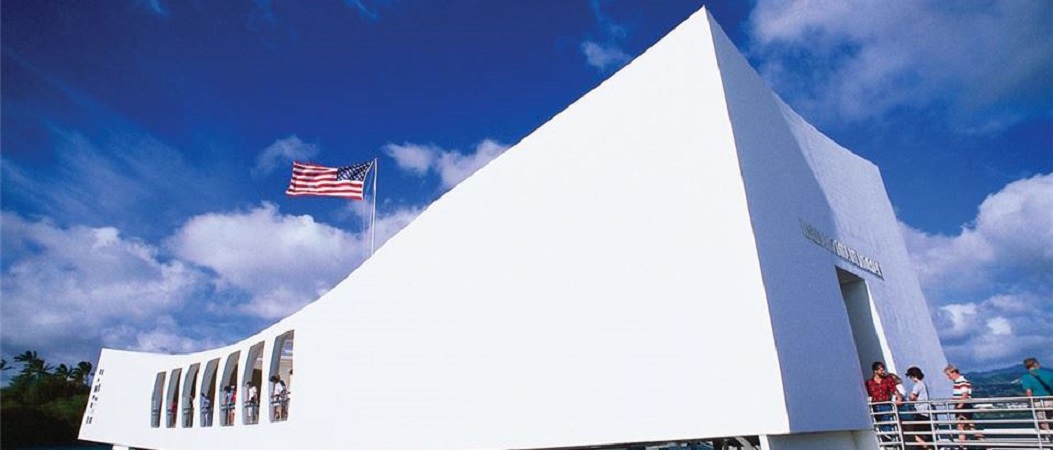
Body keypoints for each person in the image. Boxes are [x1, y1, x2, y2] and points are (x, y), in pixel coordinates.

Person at [944, 363, 984, 443]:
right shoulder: (958, 382)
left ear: (953, 372)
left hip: (963, 407)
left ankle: (984, 444)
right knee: (966, 427)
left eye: (948, 374)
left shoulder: (961, 381)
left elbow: (964, 394)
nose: (948, 377)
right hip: (963, 406)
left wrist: (959, 406)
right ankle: (985, 444)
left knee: (964, 428)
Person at [865, 361, 902, 440]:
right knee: (879, 425)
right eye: (881, 370)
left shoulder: (887, 380)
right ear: (875, 371)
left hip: (886, 405)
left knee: (887, 426)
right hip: (875, 406)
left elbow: (894, 390)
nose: (883, 371)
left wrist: (899, 398)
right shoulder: (869, 383)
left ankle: (890, 443)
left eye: (883, 369)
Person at [1022, 357, 1053, 436]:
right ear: (1036, 364)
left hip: (1038, 402)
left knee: (1043, 421)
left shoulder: (1026, 377)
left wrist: (1030, 402)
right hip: (1050, 400)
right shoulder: (1049, 373)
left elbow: (1029, 392)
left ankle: (1049, 438)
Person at [905, 367, 932, 449]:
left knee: (916, 433)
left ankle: (926, 447)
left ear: (913, 376)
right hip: (925, 412)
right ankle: (928, 446)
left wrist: (909, 397)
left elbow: (912, 397)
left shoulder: (917, 385)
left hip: (920, 412)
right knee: (926, 433)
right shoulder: (923, 384)